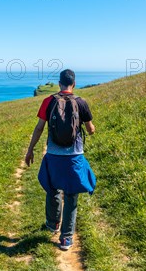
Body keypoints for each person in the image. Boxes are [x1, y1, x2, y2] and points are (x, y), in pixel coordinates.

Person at [24, 69, 96, 251]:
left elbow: (39, 128)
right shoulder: (81, 102)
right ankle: (66, 238)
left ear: (59, 83)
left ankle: (52, 224)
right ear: (74, 83)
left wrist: (30, 150)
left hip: (54, 156)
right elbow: (90, 129)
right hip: (74, 156)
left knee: (52, 188)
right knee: (71, 195)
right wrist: (90, 128)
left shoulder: (48, 101)